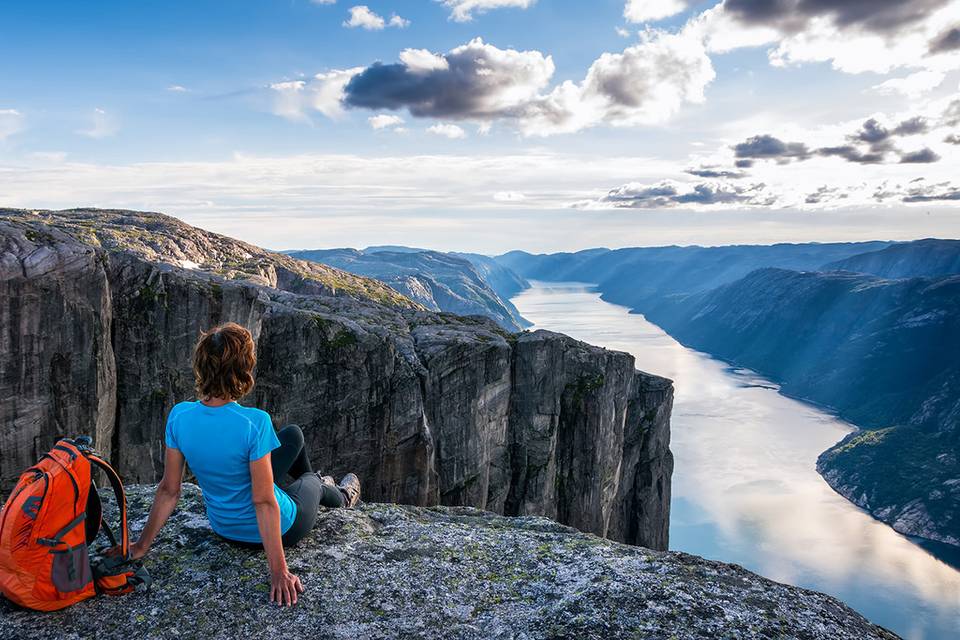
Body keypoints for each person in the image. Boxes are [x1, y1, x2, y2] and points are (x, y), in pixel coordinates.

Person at [119, 322, 361, 607]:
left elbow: (169, 490)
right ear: (243, 370)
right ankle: (340, 496)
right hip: (285, 527)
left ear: (201, 365)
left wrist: (140, 546)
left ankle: (309, 485)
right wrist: (279, 571)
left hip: (224, 527)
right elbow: (262, 501)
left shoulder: (179, 416)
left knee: (293, 435)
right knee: (310, 480)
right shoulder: (254, 422)